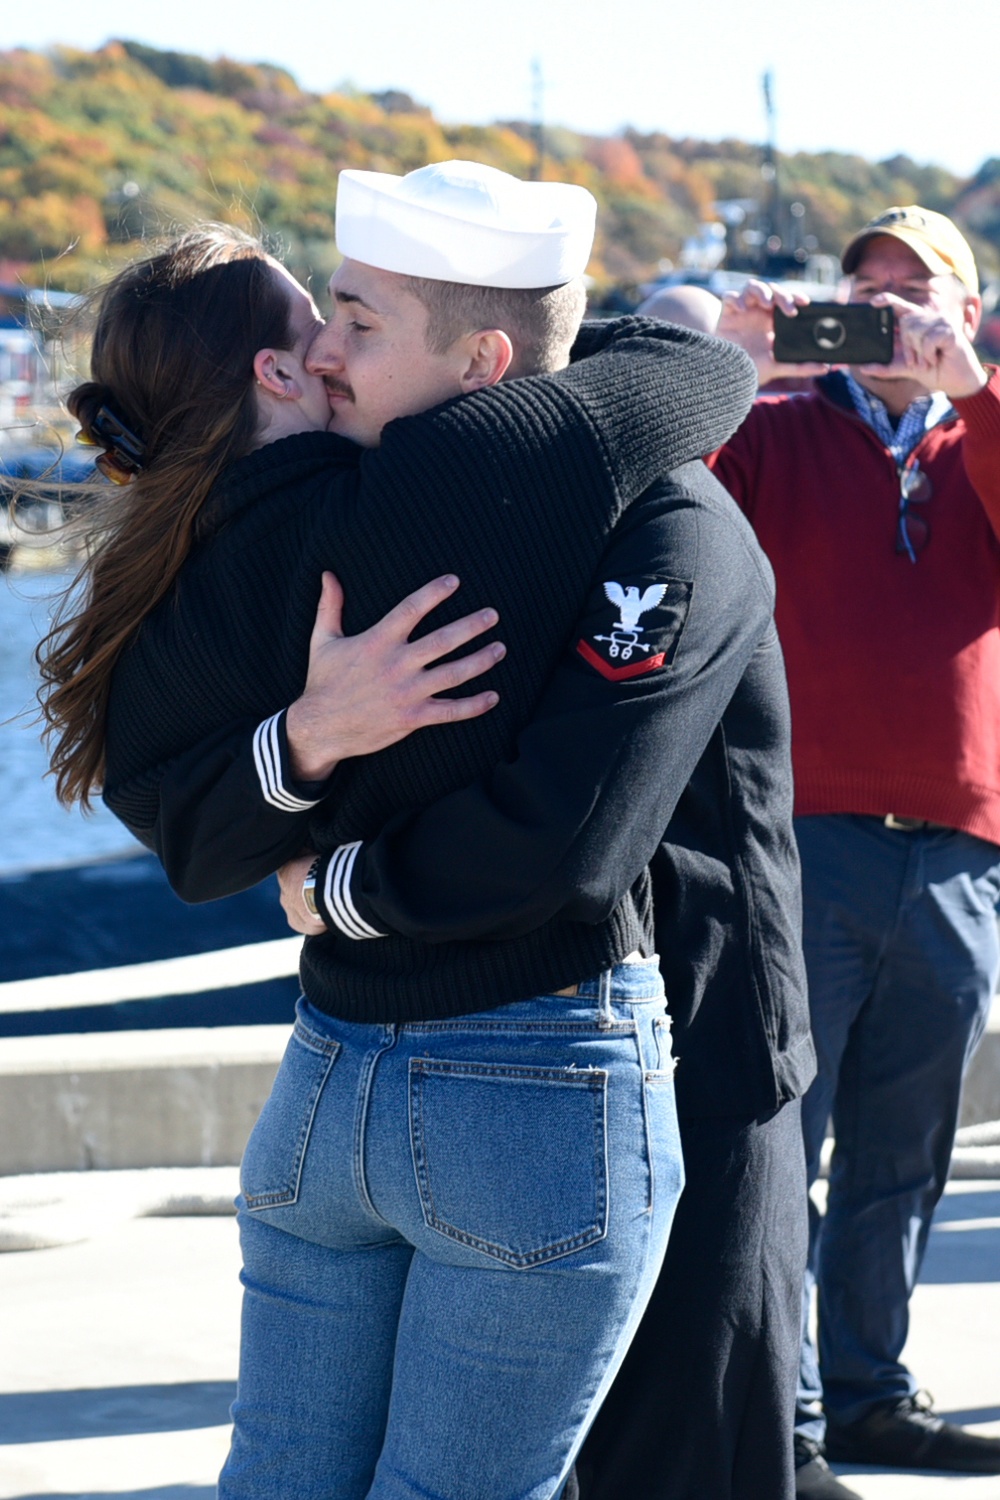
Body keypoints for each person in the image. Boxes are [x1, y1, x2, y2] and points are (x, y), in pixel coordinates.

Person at [38, 162, 761, 1499]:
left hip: (327, 1081)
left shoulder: (174, 563)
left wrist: (305, 771)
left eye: (356, 318)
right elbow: (673, 390)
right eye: (326, 318)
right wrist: (698, 327)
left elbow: (188, 838)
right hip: (536, 1072)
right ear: (273, 373)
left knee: (279, 1481)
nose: (330, 345)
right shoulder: (474, 478)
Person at [713, 205, 1000, 1499]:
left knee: (905, 1153)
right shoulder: (772, 430)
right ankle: (794, 1426)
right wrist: (726, 374)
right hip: (804, 838)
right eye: (863, 288)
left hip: (959, 852)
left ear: (966, 310)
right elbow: (673, 538)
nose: (885, 309)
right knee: (787, 1151)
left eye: (915, 290)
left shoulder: (983, 432)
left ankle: (875, 1396)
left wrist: (975, 391)